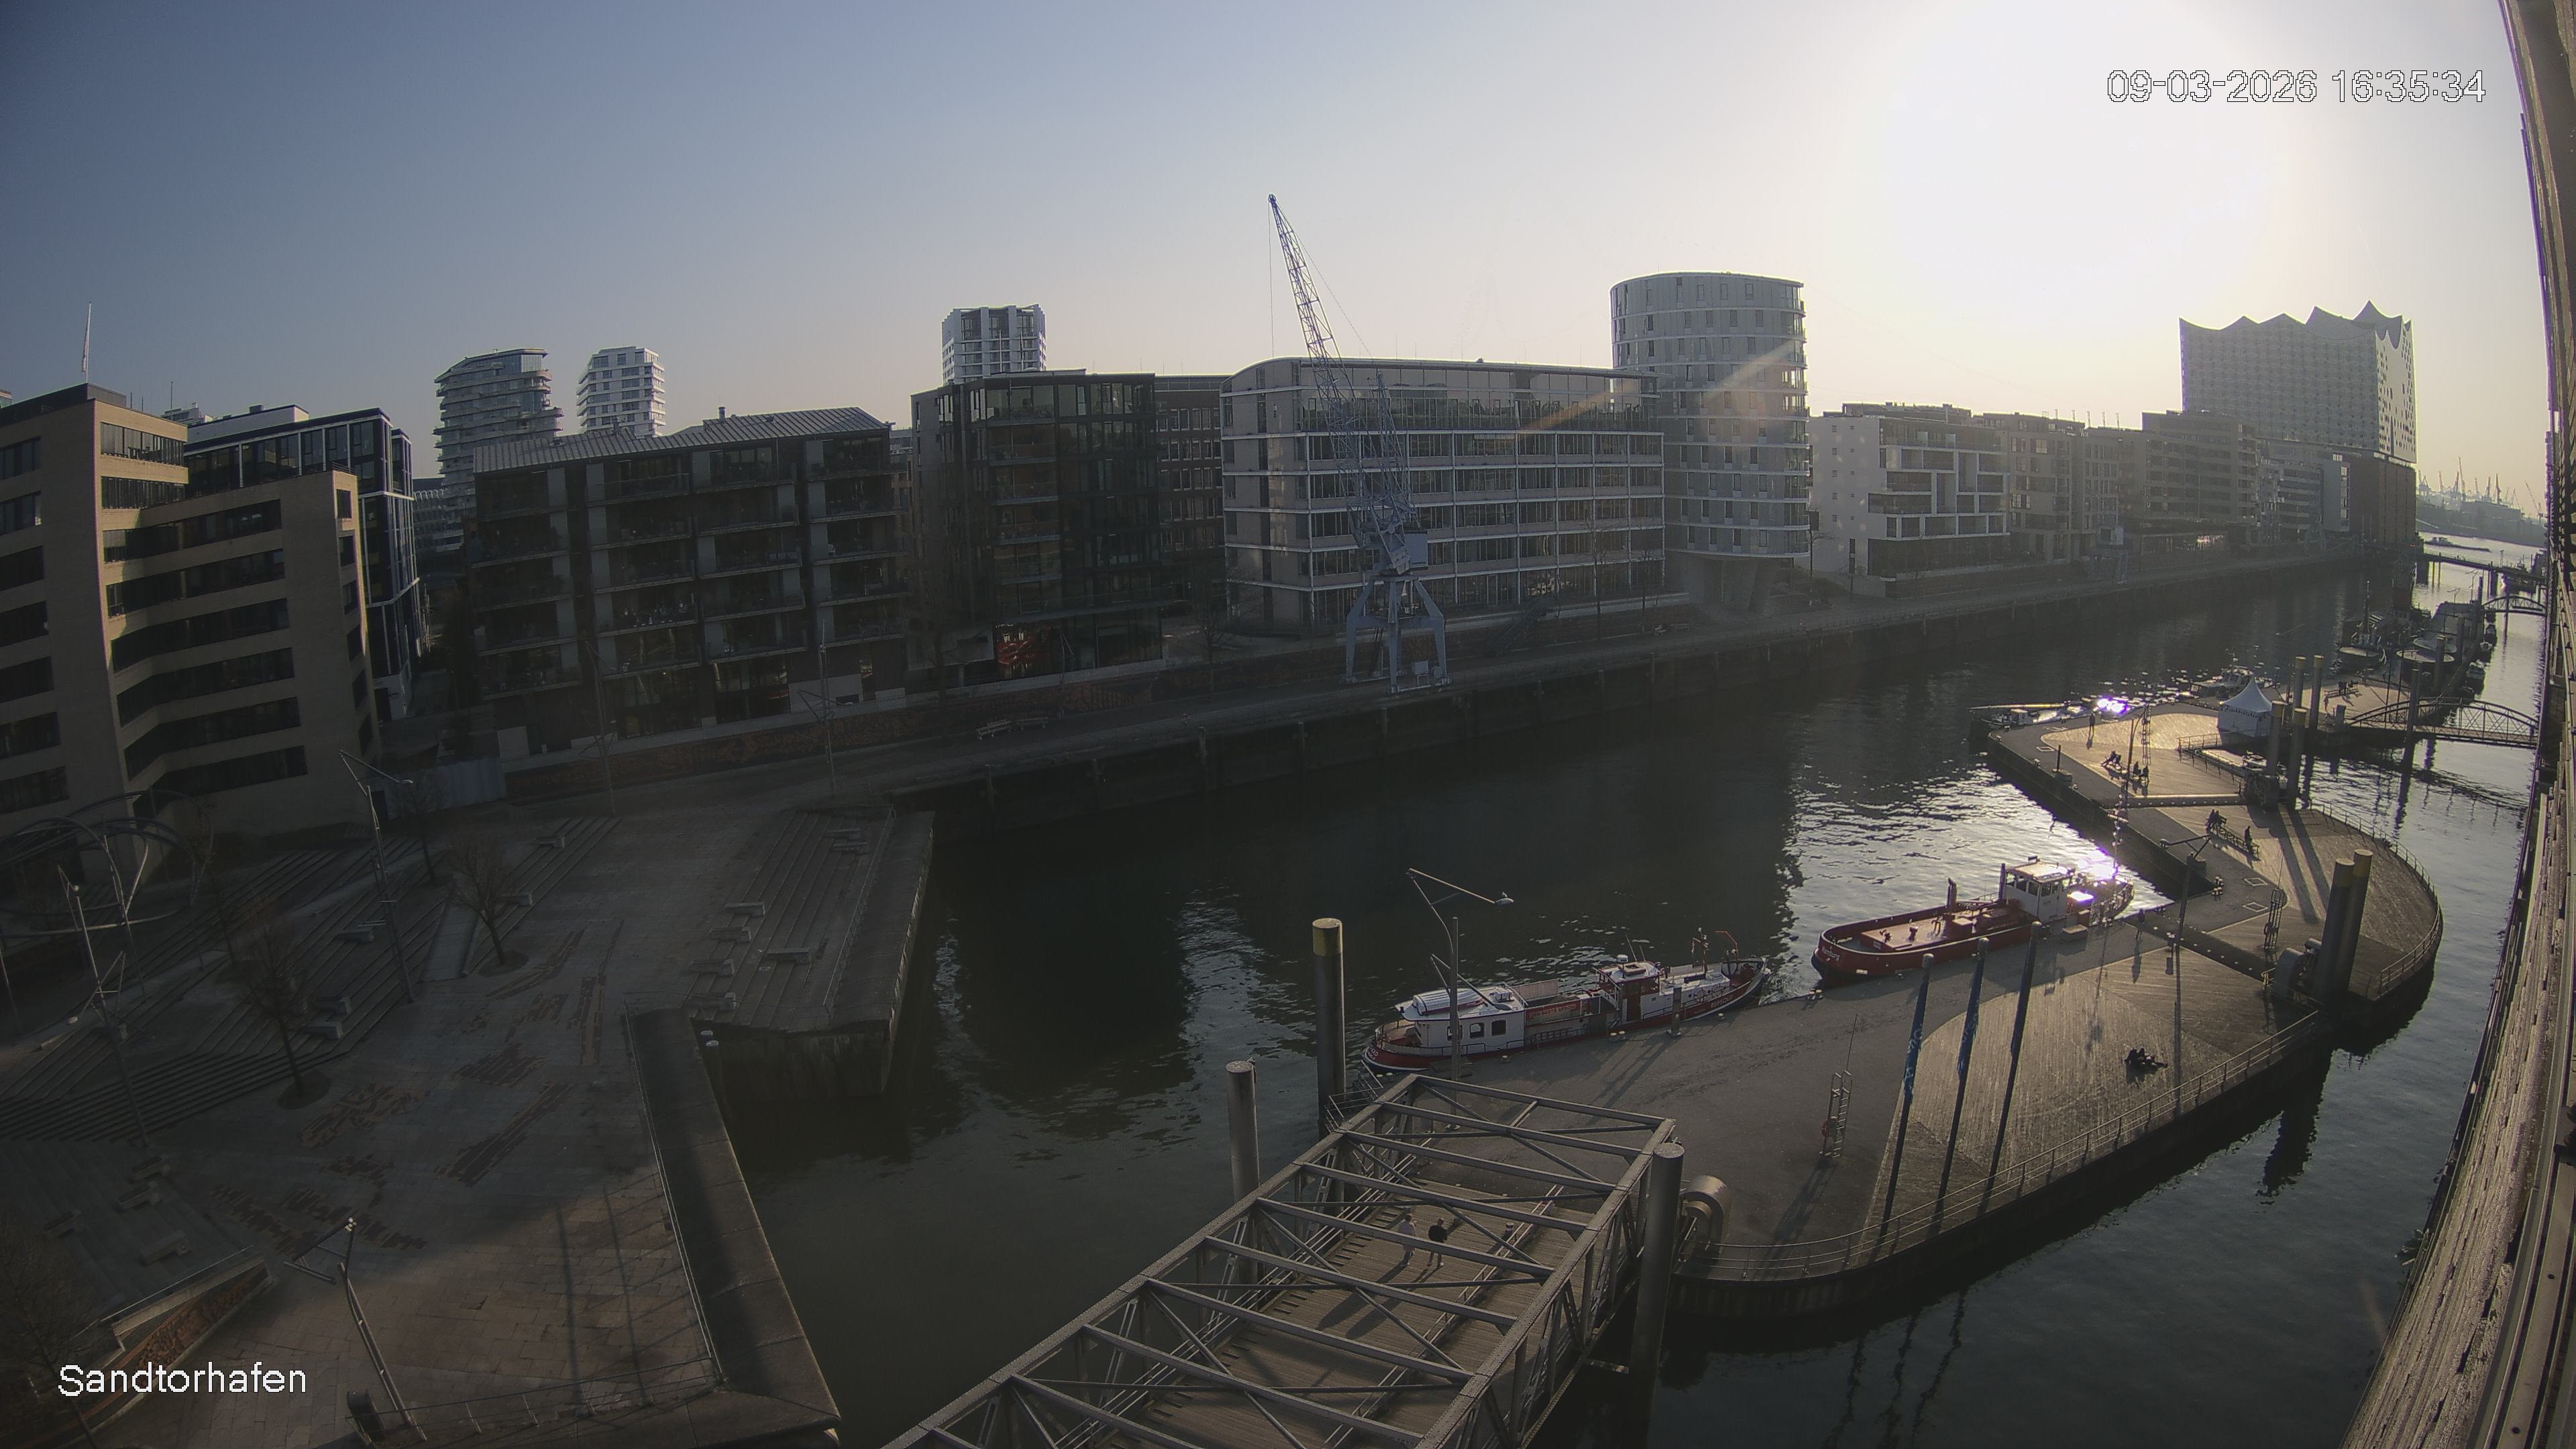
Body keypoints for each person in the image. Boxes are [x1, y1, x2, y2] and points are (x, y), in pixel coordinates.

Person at [1390, 1209, 1419, 1275]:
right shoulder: (1411, 1225)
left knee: (1407, 1249)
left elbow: (1399, 1230)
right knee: (1408, 1251)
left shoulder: (1402, 1223)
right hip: (1410, 1238)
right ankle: (1405, 1262)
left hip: (1403, 1237)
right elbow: (1413, 1232)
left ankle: (1411, 1254)